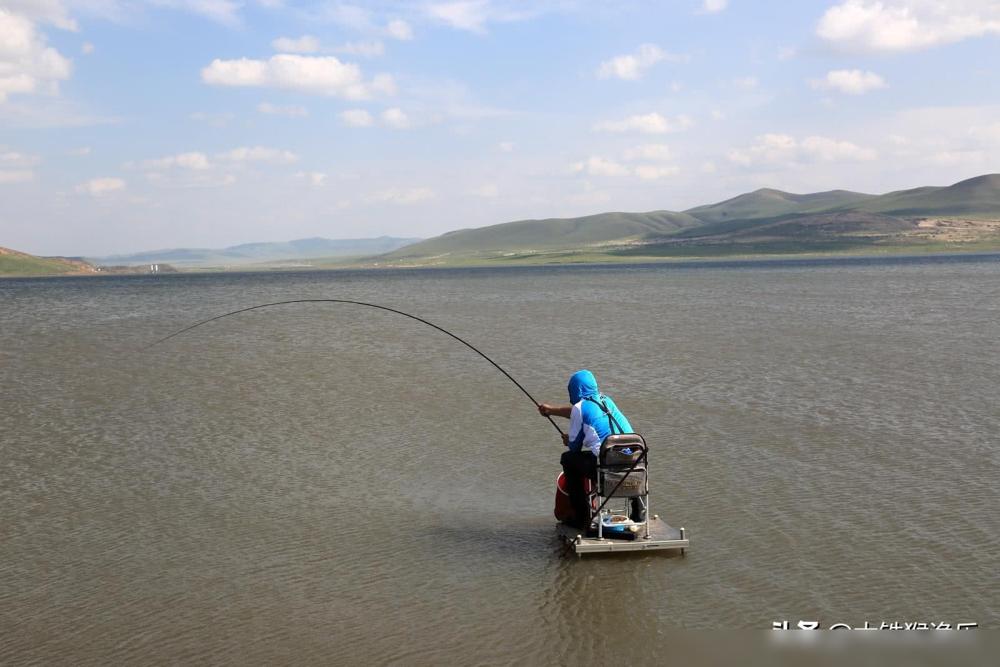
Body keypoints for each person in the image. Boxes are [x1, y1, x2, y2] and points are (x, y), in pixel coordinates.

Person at [538, 369, 636, 530]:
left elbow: (575, 447)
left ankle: (582, 518)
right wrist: (551, 410)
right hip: (633, 465)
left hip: (608, 470)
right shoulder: (606, 401)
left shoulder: (580, 408)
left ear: (577, 390)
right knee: (604, 454)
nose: (570, 398)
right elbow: (582, 413)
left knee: (568, 459)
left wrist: (568, 440)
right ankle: (638, 514)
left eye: (571, 391)